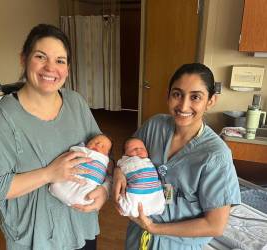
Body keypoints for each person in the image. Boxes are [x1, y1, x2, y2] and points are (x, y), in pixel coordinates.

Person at [0, 24, 110, 250]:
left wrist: (105, 189)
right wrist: (49, 174)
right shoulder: (2, 119)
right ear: (23, 59)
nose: (50, 68)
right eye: (41, 57)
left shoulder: (76, 103)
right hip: (36, 237)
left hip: (80, 226)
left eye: (60, 60)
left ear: (68, 67)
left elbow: (103, 153)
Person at [113, 63, 241, 250]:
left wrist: (155, 227)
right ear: (168, 95)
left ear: (211, 101)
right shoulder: (154, 126)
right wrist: (118, 170)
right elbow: (128, 155)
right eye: (177, 94)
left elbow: (215, 225)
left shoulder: (215, 156)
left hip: (175, 244)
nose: (183, 105)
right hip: (138, 236)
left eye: (195, 97)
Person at [49, 134, 112, 206]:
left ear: (107, 154)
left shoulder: (104, 160)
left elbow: (109, 171)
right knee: (57, 187)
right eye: (95, 141)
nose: (98, 144)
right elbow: (73, 152)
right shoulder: (82, 149)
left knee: (88, 195)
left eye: (102, 146)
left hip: (89, 182)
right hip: (72, 175)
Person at [117, 137, 165, 217]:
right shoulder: (126, 162)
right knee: (128, 203)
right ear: (125, 155)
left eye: (141, 148)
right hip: (135, 191)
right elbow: (119, 167)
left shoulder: (148, 161)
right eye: (133, 148)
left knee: (159, 202)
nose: (138, 150)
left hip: (154, 191)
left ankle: (157, 206)